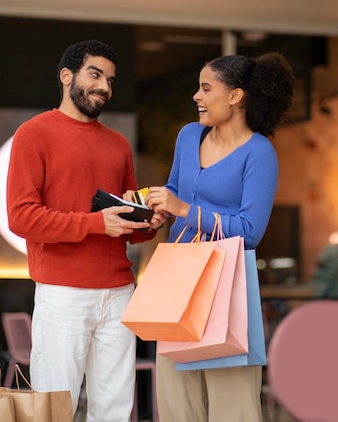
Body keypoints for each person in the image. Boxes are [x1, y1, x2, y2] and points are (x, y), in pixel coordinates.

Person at [5, 39, 165, 421]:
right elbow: (21, 217)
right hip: (63, 294)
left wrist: (148, 224)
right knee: (54, 408)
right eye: (95, 74)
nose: (104, 87)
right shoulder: (34, 133)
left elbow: (124, 223)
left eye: (110, 80)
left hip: (120, 292)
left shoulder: (118, 145)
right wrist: (96, 223)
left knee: (114, 409)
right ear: (66, 76)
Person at [143, 52, 295, 421]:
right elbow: (176, 189)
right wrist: (157, 211)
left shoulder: (259, 152)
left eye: (206, 88)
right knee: (177, 403)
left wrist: (184, 210)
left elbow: (250, 230)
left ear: (235, 96)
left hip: (226, 287)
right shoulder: (188, 135)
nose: (197, 96)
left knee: (233, 407)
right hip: (178, 281)